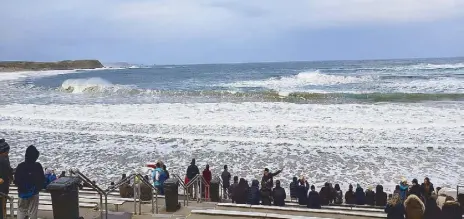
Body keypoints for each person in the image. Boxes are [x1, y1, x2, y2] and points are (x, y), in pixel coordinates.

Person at [14, 145, 45, 219]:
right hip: (34, 192)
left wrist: (21, 187)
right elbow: (42, 179)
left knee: (21, 211)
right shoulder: (38, 166)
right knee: (33, 212)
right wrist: (39, 187)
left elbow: (16, 180)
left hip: (22, 193)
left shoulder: (20, 166)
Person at [0, 139, 12, 219]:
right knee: (2, 205)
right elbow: (9, 170)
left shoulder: (5, 158)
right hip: (3, 185)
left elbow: (9, 170)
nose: (7, 154)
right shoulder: (4, 159)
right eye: (6, 152)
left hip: (4, 185)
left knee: (3, 205)